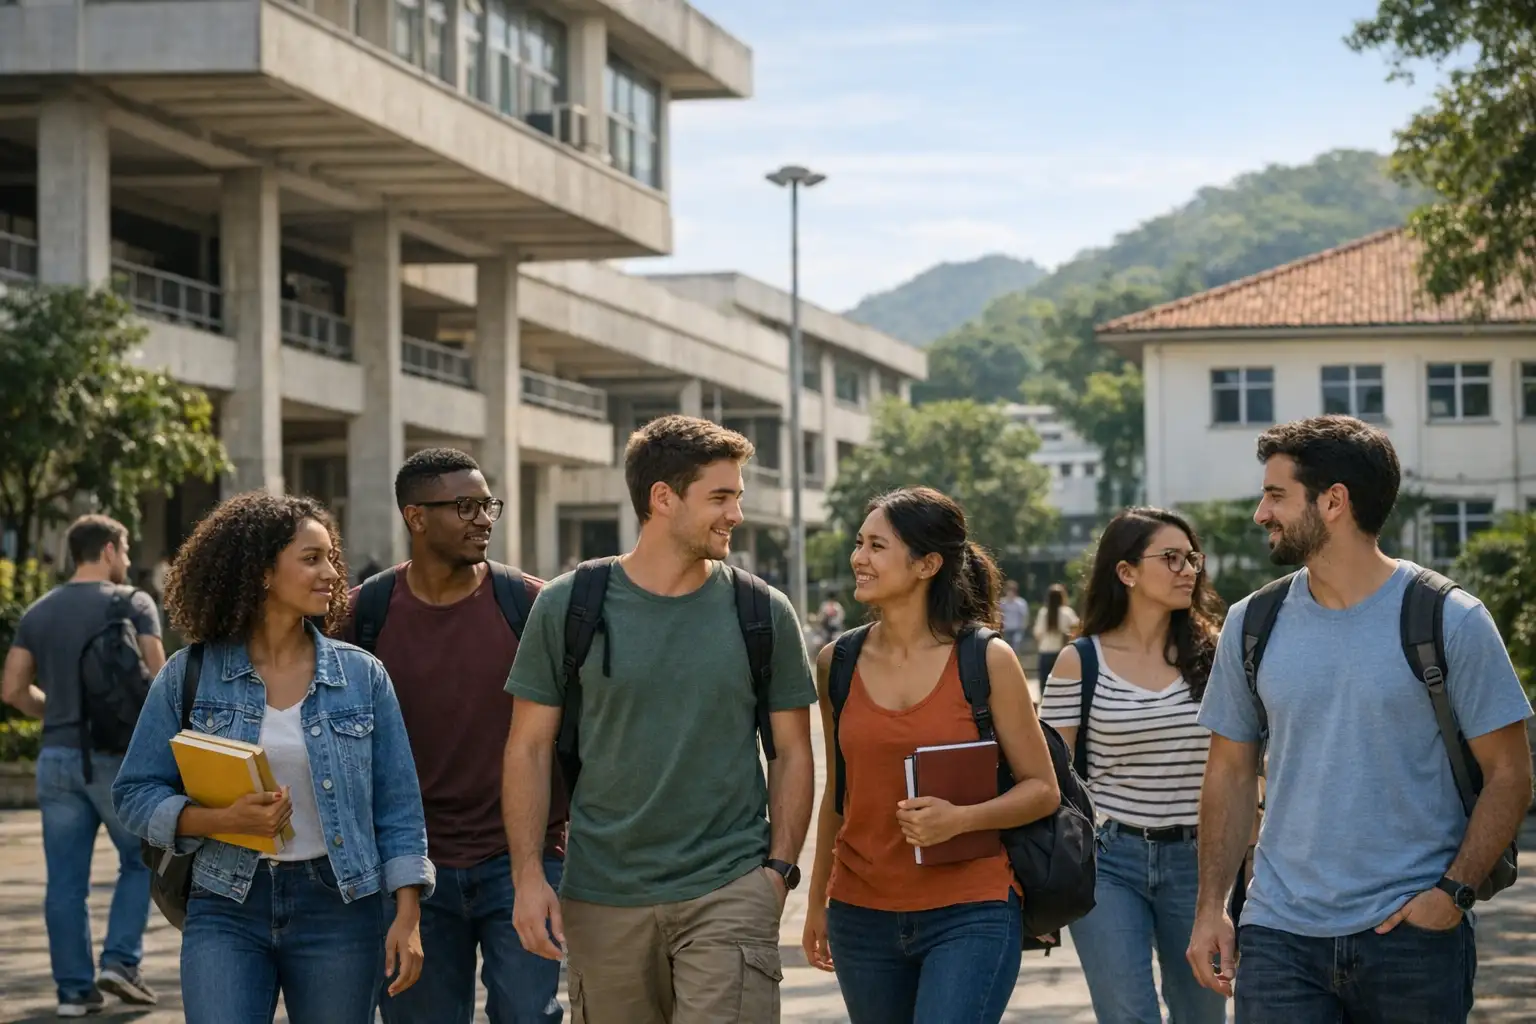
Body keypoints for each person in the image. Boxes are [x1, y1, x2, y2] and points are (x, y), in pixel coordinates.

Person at [1188, 416, 1534, 1024]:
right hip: (1278, 933)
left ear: (1334, 502)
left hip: (1412, 936)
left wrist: (1453, 894)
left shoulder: (1450, 619)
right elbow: (1230, 774)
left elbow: (1509, 773)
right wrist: (1212, 907)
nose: (1260, 514)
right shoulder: (1252, 623)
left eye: (1275, 495)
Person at [503, 414, 817, 1023]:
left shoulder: (762, 611)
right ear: (663, 498)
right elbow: (528, 749)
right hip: (602, 895)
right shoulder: (569, 604)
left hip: (729, 889)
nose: (736, 514)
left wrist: (776, 873)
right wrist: (527, 876)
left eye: (737, 497)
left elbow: (794, 751)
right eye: (720, 497)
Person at [111, 493, 434, 1024]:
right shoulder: (189, 673)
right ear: (262, 572)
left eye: (331, 557)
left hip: (340, 906)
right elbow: (134, 794)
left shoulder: (363, 677)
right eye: (311, 559)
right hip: (225, 902)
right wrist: (219, 820)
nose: (331, 573)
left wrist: (408, 911)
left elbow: (399, 806)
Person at [800, 487, 1061, 1024]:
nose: (859, 558)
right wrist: (816, 902)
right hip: (861, 914)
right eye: (859, 543)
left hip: (972, 909)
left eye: (877, 546)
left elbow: (1042, 789)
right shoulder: (837, 662)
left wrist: (961, 819)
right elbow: (839, 794)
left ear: (928, 564)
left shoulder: (987, 659)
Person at [343, 448, 568, 1024]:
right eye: (465, 506)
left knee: (530, 1016)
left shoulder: (529, 604)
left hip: (523, 863)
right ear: (415, 517)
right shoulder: (364, 613)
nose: (484, 519)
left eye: (487, 505)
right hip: (411, 874)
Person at [1039, 507, 1228, 1024]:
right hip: (1108, 861)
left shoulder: (1218, 655)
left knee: (1202, 1014)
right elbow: (1049, 776)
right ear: (1125, 572)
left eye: (1192, 557)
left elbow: (1245, 767)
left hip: (1200, 862)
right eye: (1170, 558)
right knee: (1127, 1014)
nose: (1187, 569)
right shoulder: (1080, 661)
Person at [1, 515, 166, 1017]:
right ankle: (120, 960)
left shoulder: (39, 611)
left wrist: (53, 712)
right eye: (127, 550)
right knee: (145, 859)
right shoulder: (133, 603)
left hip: (55, 758)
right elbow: (161, 682)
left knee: (65, 882)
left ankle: (73, 991)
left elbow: (11, 689)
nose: (130, 560)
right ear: (111, 549)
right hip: (115, 759)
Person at [1032, 582, 1078, 683]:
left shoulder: (1043, 612)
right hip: (1062, 652)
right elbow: (1076, 629)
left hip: (1045, 651)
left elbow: (1037, 633)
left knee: (1044, 684)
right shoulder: (1067, 612)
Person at [999, 579, 1030, 655]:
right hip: (1006, 628)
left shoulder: (1021, 603)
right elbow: (999, 615)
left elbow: (1025, 615)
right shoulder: (1002, 602)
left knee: (1016, 644)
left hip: (1017, 629)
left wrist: (1024, 626)